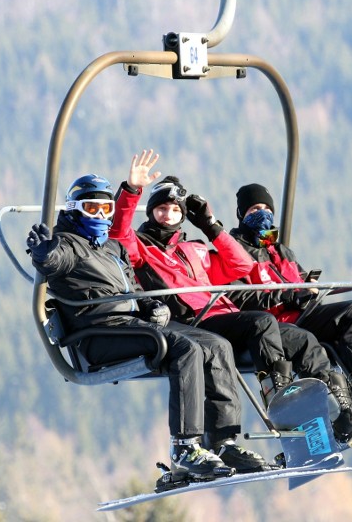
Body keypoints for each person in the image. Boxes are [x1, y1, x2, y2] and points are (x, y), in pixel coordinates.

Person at [109, 150, 352, 445]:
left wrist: (210, 225)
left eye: (175, 210)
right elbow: (119, 232)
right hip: (197, 323)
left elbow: (241, 265)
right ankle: (283, 405)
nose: (168, 215)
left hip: (226, 317)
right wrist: (131, 190)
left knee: (305, 341)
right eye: (162, 209)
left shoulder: (196, 248)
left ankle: (341, 414)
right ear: (151, 211)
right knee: (262, 322)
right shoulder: (142, 249)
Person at [26, 173, 274, 479]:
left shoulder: (112, 249)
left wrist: (151, 305)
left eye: (105, 209)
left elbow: (135, 289)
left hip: (132, 324)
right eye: (92, 209)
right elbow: (53, 261)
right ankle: (185, 446)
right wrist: (43, 252)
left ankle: (223, 442)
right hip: (100, 333)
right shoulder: (69, 243)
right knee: (185, 349)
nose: (100, 216)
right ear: (75, 208)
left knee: (215, 344)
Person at [228, 183, 352, 419]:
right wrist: (289, 295)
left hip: (306, 312)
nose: (261, 213)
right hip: (282, 324)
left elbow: (301, 282)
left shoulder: (280, 250)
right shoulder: (237, 252)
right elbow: (240, 299)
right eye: (253, 210)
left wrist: (309, 289)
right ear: (242, 215)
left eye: (266, 208)